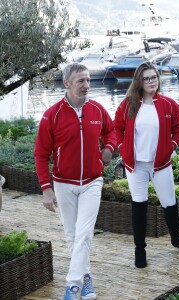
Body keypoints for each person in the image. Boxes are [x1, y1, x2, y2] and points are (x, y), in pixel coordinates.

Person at [34, 63, 116, 300]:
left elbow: (111, 132)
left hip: (92, 181)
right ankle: (86, 276)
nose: (86, 85)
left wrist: (109, 147)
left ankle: (73, 287)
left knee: (84, 234)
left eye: (88, 80)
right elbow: (40, 154)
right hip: (63, 183)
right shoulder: (52, 115)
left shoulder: (98, 110)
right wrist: (46, 188)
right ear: (67, 84)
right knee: (72, 235)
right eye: (81, 81)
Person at [114, 61, 179, 268]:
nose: (151, 81)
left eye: (154, 77)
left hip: (161, 164)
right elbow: (117, 128)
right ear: (139, 82)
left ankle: (176, 239)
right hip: (136, 166)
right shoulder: (128, 105)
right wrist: (121, 147)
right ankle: (140, 249)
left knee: (169, 203)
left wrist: (171, 145)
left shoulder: (169, 105)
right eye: (146, 78)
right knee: (139, 205)